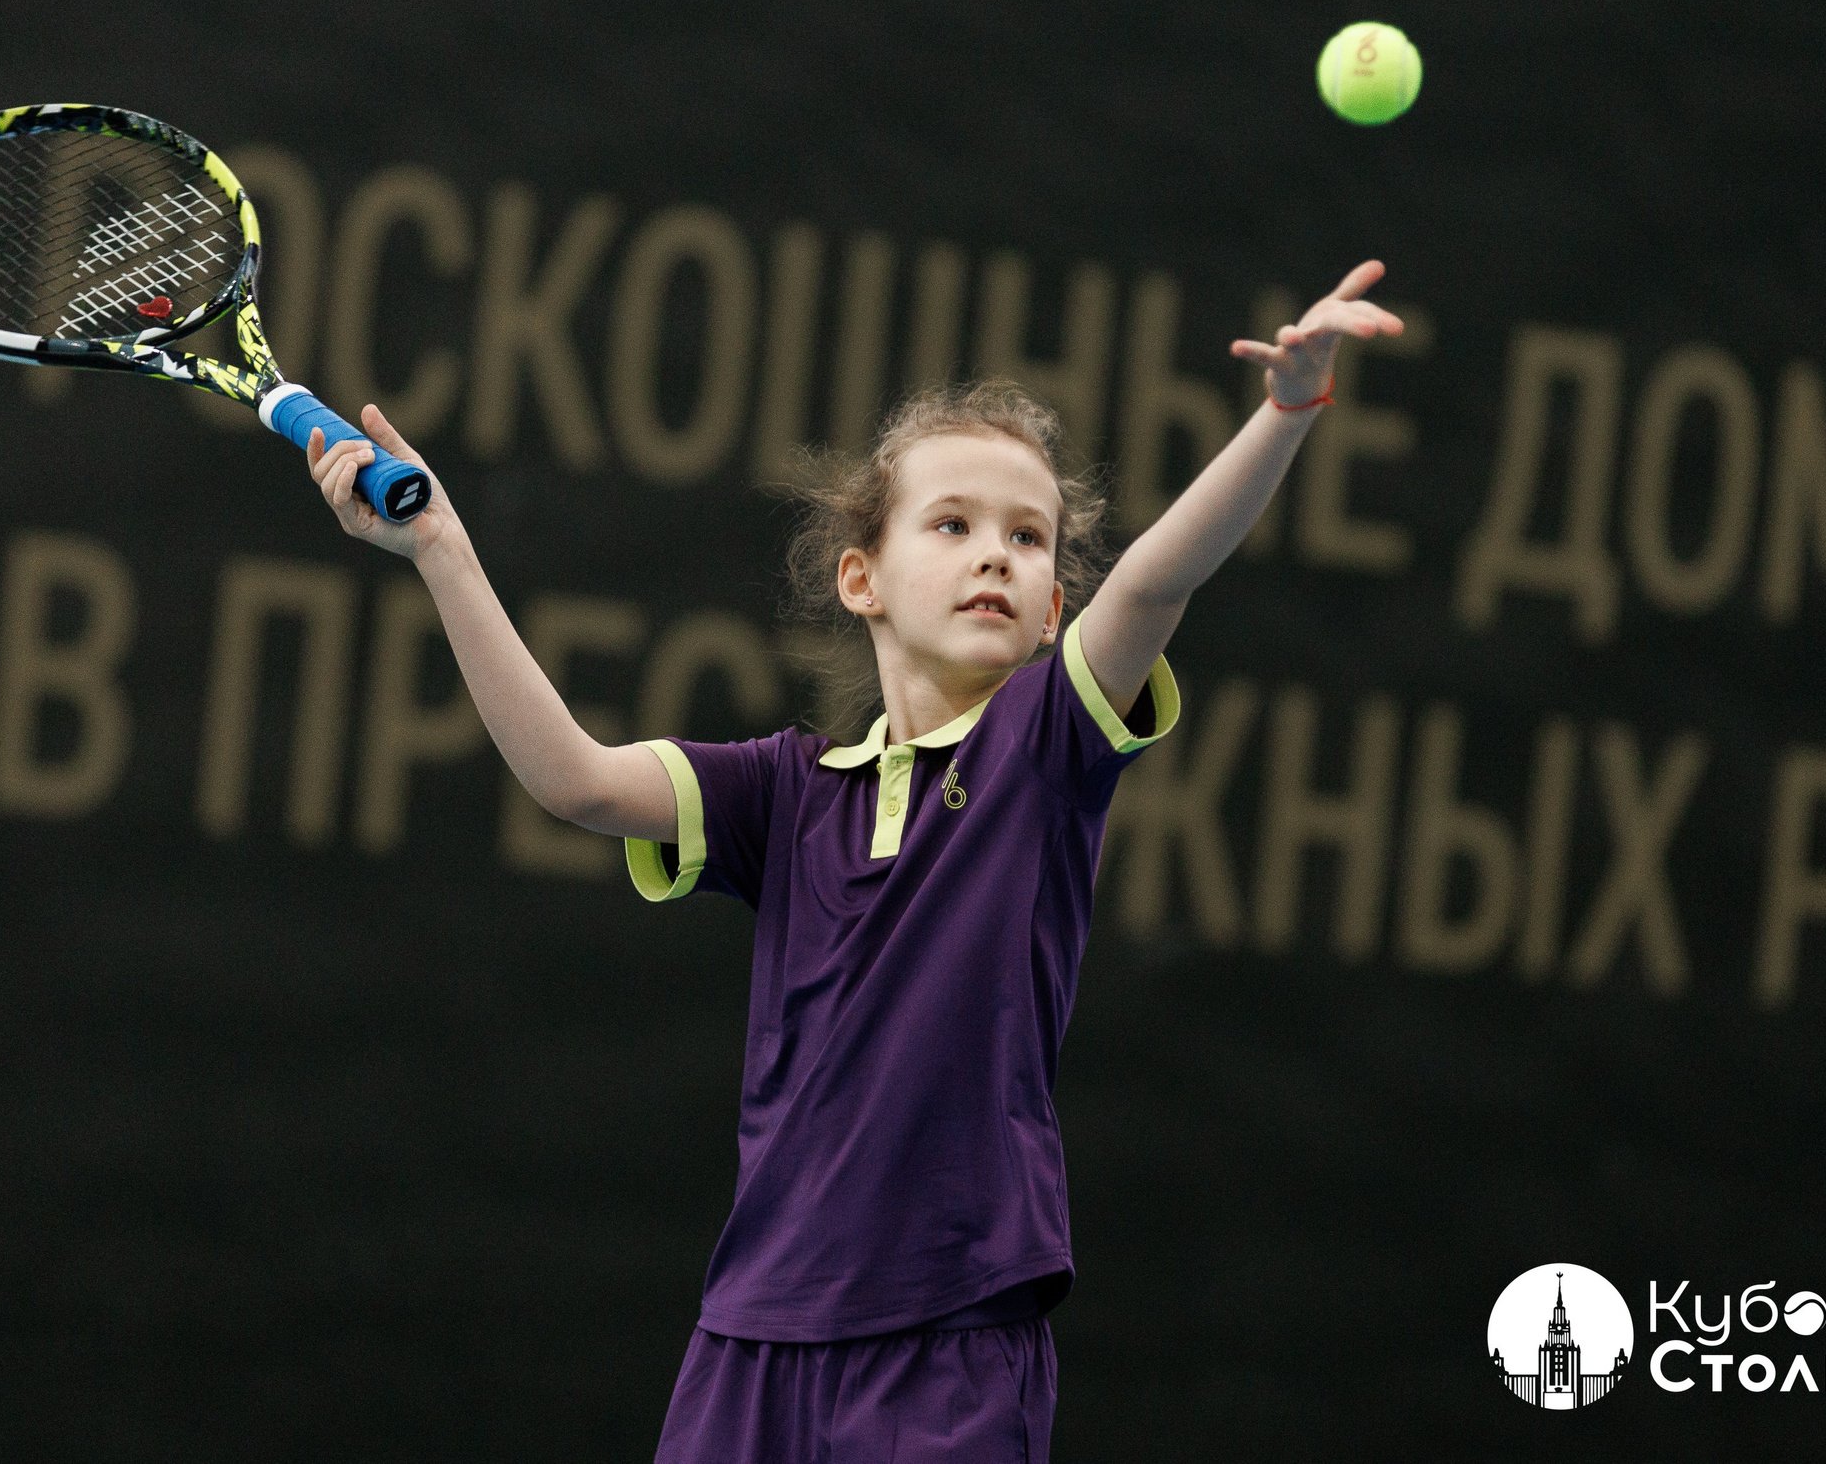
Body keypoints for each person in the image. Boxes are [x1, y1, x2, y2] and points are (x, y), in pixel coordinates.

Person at [305, 260, 1403, 1460]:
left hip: (950, 1344)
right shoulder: (781, 793)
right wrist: (443, 551)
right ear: (860, 577)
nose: (995, 553)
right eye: (953, 524)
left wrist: (1284, 414)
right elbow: (572, 778)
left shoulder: (1044, 745)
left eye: (1028, 538)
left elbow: (1154, 578)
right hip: (748, 1347)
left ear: (1051, 613)